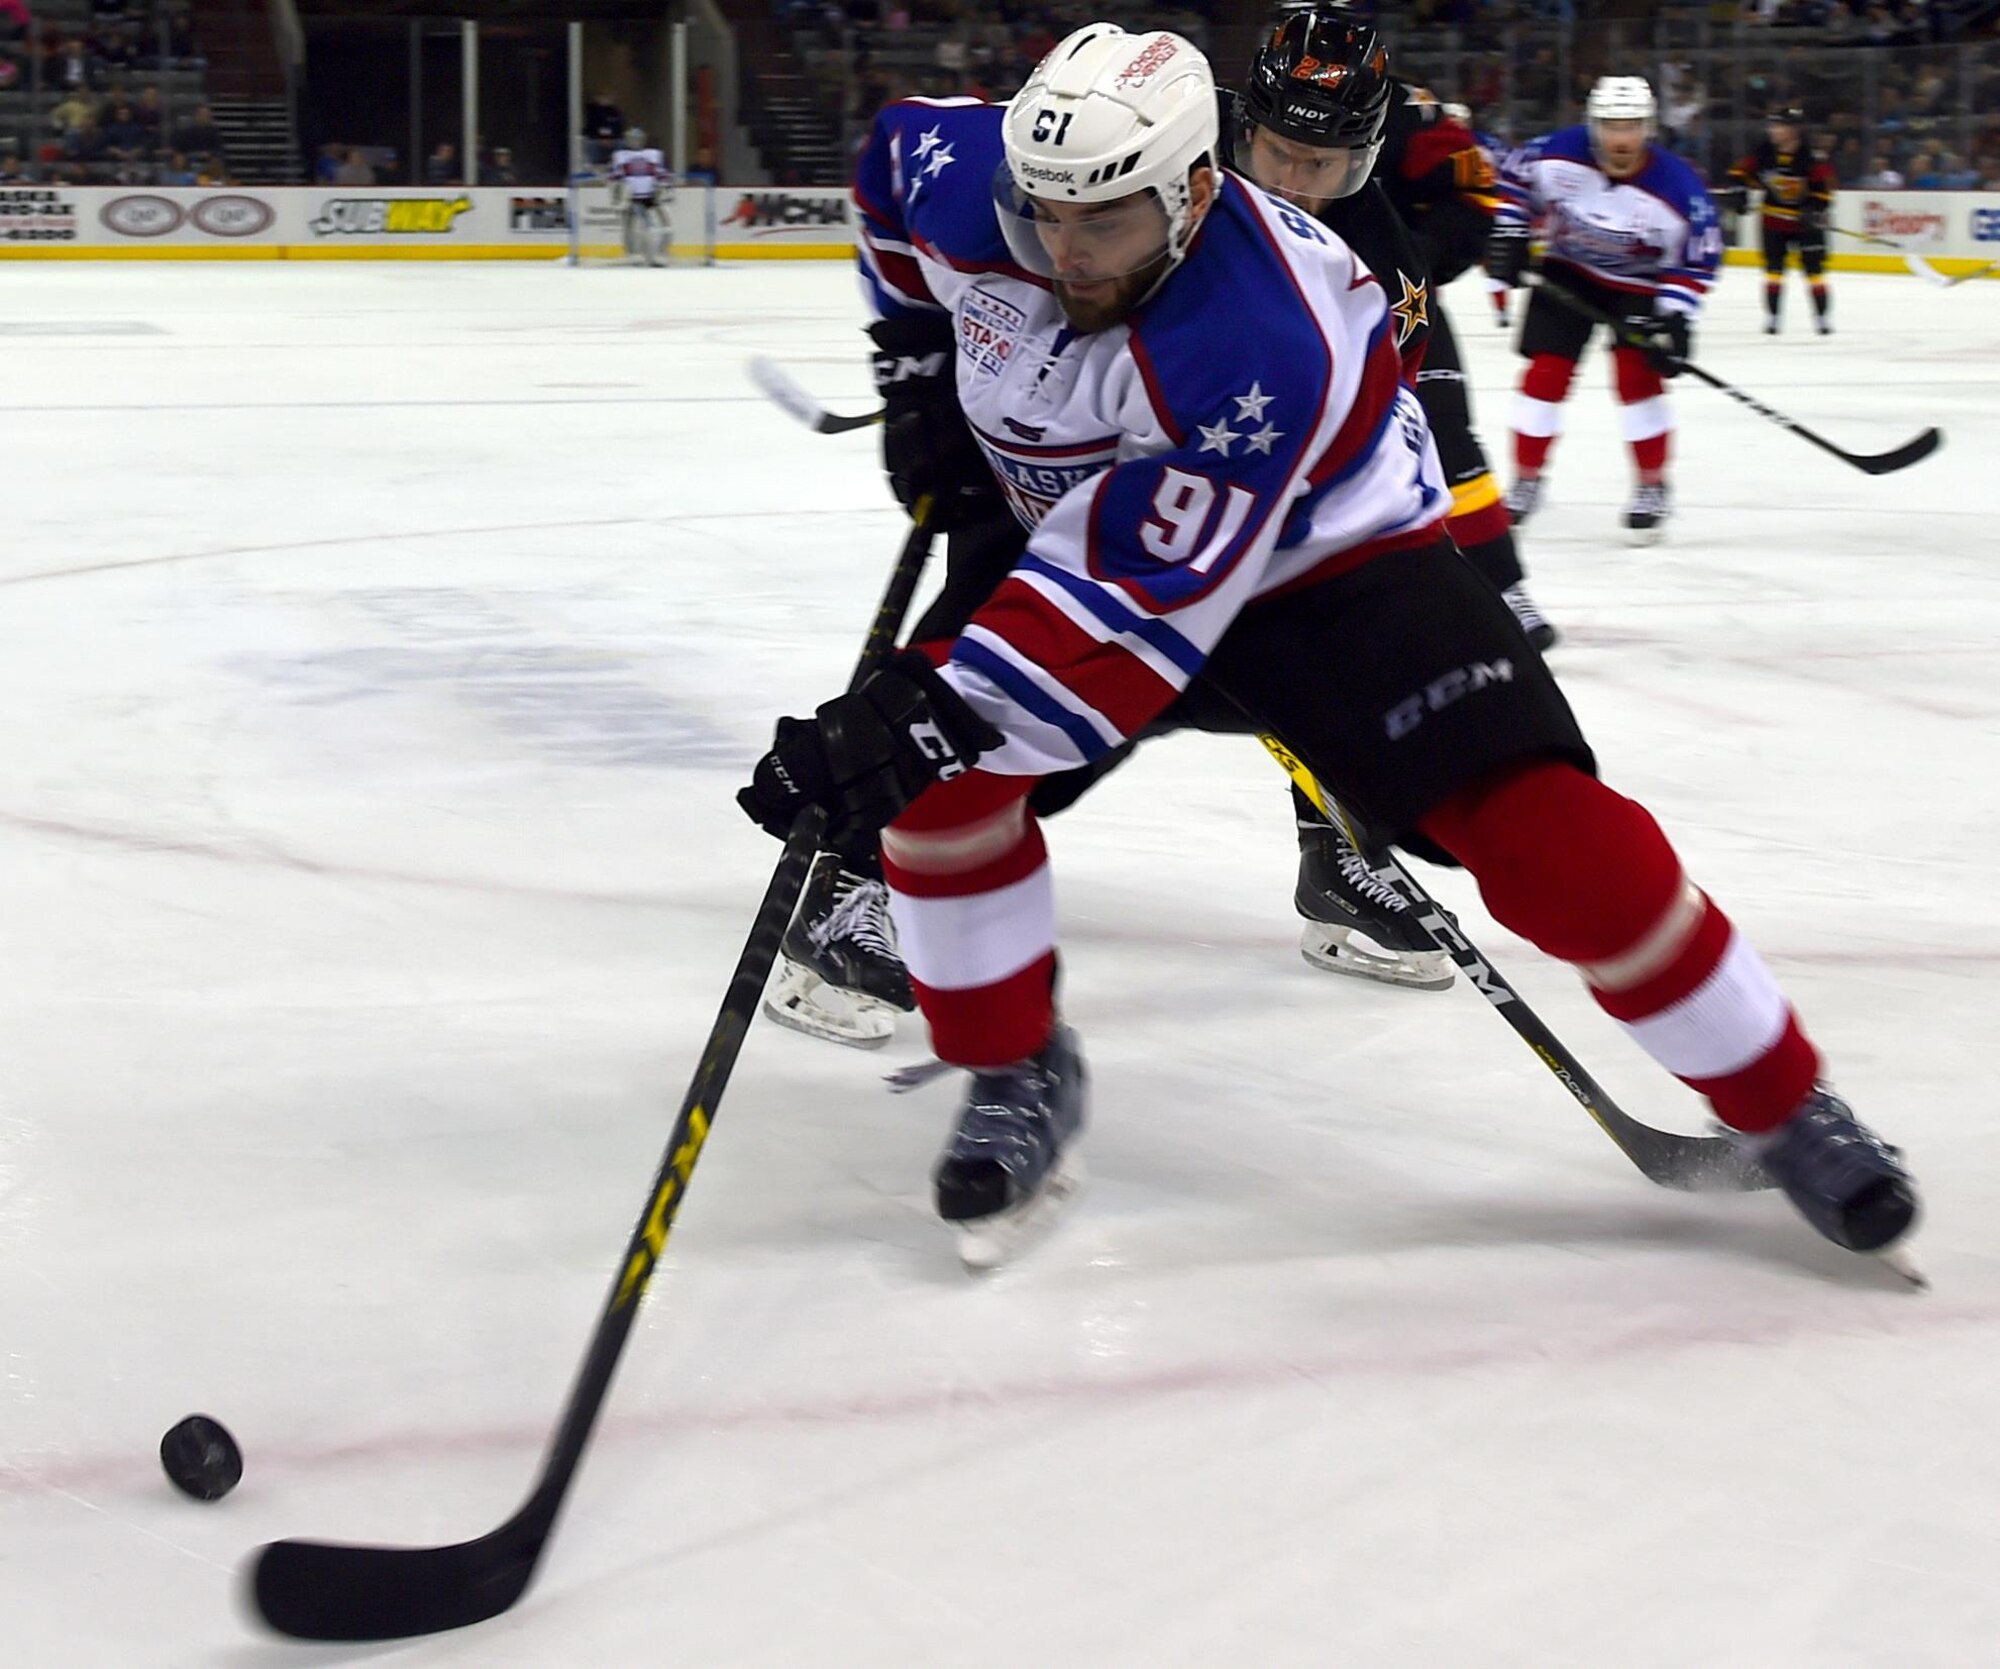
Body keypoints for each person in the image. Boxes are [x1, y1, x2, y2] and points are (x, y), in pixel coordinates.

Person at [739, 24, 1916, 1271]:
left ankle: (1782, 1102)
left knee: (1549, 841)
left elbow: (1121, 601)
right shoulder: (965, 170)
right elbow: (885, 174)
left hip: (1323, 565)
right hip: (1095, 520)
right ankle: (1011, 1064)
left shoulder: (1263, 336)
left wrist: (911, 712)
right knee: (938, 802)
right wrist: (919, 369)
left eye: (1105, 227)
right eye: (1040, 221)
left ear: (1194, 191)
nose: (1066, 257)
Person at [1486, 76, 1722, 544]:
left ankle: (1652, 486)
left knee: (1638, 381)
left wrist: (1675, 316)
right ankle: (1527, 478)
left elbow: (1698, 259)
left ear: (1649, 127)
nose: (1621, 138)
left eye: (1632, 125)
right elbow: (1511, 180)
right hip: (1566, 269)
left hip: (1639, 285)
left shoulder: (1677, 188)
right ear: (1593, 125)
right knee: (1544, 378)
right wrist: (1511, 231)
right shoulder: (1555, 153)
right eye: (1612, 125)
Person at [1725, 107, 1835, 336]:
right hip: (1774, 222)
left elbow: (1824, 194)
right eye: (1773, 126)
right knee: (1774, 271)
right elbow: (1738, 173)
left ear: (1793, 130)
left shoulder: (1811, 159)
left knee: (1814, 271)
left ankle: (1822, 318)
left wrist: (1812, 210)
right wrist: (1739, 191)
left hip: (1806, 225)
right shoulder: (1764, 153)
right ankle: (1773, 317)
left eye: (1779, 126)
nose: (1773, 130)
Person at [608, 125, 672, 265]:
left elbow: (661, 174)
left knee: (664, 224)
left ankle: (660, 253)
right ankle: (633, 254)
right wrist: (616, 193)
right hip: (631, 198)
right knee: (630, 227)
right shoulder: (621, 156)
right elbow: (615, 177)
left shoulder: (653, 154)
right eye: (632, 138)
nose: (635, 141)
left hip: (651, 196)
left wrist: (665, 187)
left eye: (638, 138)